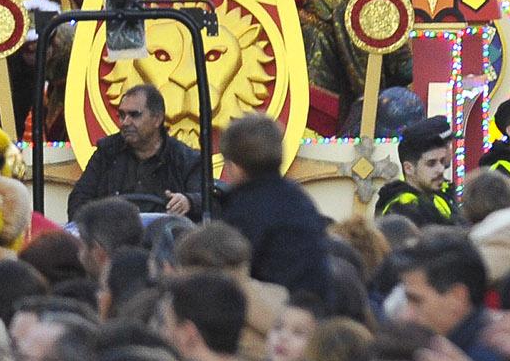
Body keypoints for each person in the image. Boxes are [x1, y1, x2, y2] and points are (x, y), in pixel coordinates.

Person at [218, 112, 333, 303]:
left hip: (278, 310)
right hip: (317, 305)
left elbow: (232, 278)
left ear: (235, 167)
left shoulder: (242, 208)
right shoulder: (300, 199)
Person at [68, 85, 205, 217]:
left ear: (157, 119)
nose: (125, 122)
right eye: (122, 115)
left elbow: (209, 201)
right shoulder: (107, 152)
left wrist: (189, 201)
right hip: (111, 238)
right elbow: (79, 199)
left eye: (134, 115)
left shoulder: (185, 159)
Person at [375, 115, 455, 227]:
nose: (440, 169)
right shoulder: (402, 208)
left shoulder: (435, 197)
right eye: (431, 163)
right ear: (408, 168)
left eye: (441, 161)